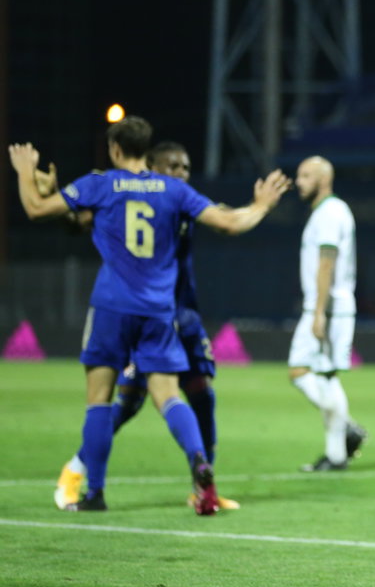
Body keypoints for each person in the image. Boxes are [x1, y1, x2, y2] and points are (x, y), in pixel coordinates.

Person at [10, 117, 289, 514]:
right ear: (148, 151)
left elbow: (38, 210)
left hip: (112, 307)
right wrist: (262, 204)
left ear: (115, 149)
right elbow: (229, 222)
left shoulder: (100, 184)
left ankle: (96, 492)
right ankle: (199, 462)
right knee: (170, 397)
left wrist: (24, 173)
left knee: (100, 402)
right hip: (160, 311)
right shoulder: (175, 192)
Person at [53, 141, 240, 511]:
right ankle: (75, 469)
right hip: (150, 314)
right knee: (129, 400)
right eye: (173, 166)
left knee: (201, 394)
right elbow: (81, 222)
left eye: (186, 167)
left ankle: (205, 487)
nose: (181, 173)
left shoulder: (184, 200)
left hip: (183, 316)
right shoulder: (151, 199)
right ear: (152, 168)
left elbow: (223, 217)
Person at [288, 156, 367, 472]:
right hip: (331, 308)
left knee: (299, 370)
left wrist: (319, 312)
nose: (298, 181)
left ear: (323, 179)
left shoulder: (331, 213)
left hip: (328, 308)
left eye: (305, 175)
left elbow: (326, 263)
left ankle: (346, 426)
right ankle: (336, 455)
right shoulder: (328, 212)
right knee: (326, 376)